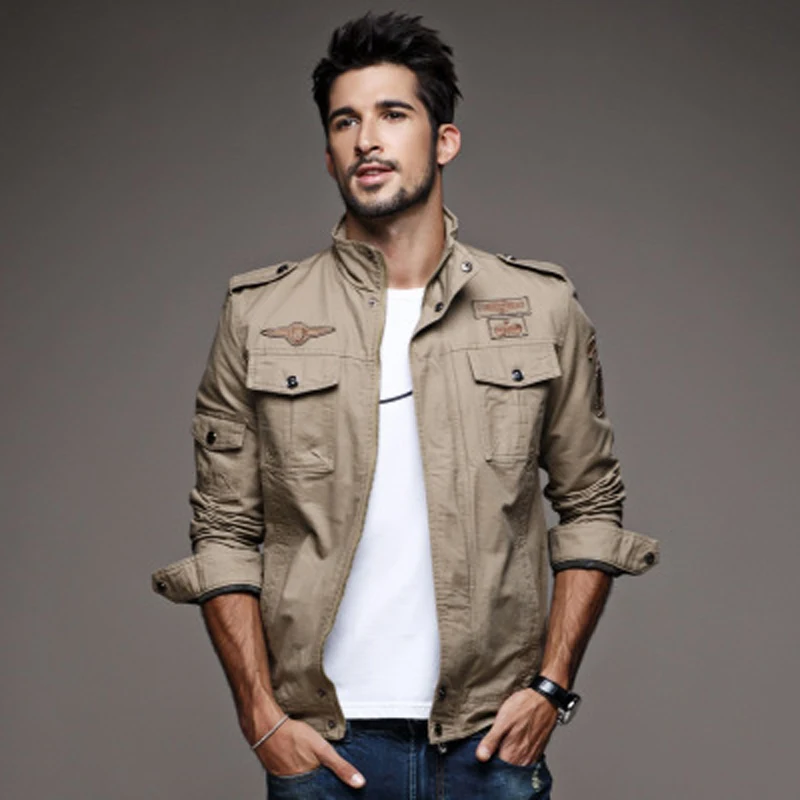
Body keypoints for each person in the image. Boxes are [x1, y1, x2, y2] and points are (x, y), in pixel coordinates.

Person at [151, 11, 659, 799]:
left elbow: (591, 504)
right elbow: (223, 530)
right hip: (323, 746)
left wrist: (551, 688)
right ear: (328, 154)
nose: (367, 139)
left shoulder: (542, 307)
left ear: (444, 140)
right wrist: (260, 716)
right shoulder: (258, 315)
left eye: (393, 114)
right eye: (345, 122)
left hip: (490, 742)